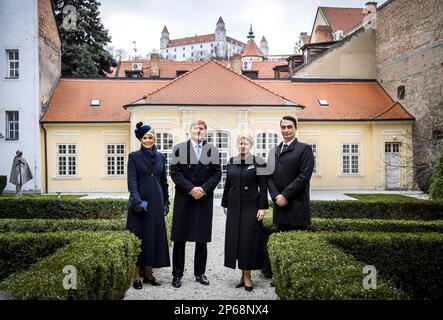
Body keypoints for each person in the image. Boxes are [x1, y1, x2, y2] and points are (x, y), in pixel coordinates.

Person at [170, 120, 222, 288]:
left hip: (203, 199)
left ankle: (200, 273)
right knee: (179, 238)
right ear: (190, 131)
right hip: (184, 198)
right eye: (195, 128)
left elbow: (217, 174)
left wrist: (203, 189)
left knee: (202, 239)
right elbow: (175, 173)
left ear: (205, 132)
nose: (198, 131)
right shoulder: (179, 149)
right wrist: (191, 189)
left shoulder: (212, 150)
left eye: (201, 128)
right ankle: (177, 274)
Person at [221, 132, 268, 292]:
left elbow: (263, 187)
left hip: (251, 206)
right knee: (237, 239)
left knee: (248, 240)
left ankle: (247, 276)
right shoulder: (231, 161)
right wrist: (225, 203)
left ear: (251, 145)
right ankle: (242, 274)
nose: (243, 146)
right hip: (234, 206)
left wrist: (262, 207)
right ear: (237, 145)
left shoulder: (259, 162)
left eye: (246, 143)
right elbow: (227, 184)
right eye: (240, 143)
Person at [126, 122, 170, 290]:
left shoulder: (161, 157)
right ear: (140, 139)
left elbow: (164, 182)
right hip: (140, 202)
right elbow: (131, 181)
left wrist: (166, 201)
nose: (147, 140)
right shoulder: (134, 156)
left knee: (153, 237)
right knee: (139, 237)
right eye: (144, 138)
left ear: (154, 138)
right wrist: (136, 201)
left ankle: (149, 273)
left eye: (150, 137)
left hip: (157, 202)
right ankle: (136, 275)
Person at [267, 116, 315, 232]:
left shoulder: (304, 149)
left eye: (289, 127)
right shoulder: (273, 151)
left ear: (296, 128)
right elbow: (268, 176)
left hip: (297, 209)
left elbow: (304, 177)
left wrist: (285, 196)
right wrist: (276, 196)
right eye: (283, 127)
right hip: (279, 208)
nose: (286, 130)